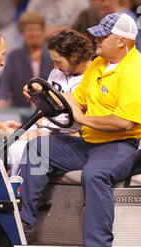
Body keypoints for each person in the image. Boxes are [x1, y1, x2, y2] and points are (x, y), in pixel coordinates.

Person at [20, 12, 141, 247]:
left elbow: (123, 123)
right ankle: (24, 225)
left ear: (122, 41)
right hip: (92, 141)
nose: (95, 39)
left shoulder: (139, 73)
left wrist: (81, 118)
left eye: (102, 35)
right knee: (38, 148)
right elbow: (76, 98)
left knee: (95, 174)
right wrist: (55, 99)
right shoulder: (99, 64)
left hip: (128, 144)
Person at [7, 29, 94, 176]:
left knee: (21, 148)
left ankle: (19, 193)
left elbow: (89, 124)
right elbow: (48, 108)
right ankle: (13, 190)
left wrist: (48, 135)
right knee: (10, 142)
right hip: (47, 127)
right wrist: (34, 94)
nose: (55, 66)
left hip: (70, 136)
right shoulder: (57, 72)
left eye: (58, 61)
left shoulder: (95, 77)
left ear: (75, 56)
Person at [0, 11, 54, 109]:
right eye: (30, 30)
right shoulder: (14, 56)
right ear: (22, 33)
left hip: (50, 111)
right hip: (21, 111)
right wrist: (2, 99)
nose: (34, 34)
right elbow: (5, 81)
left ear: (43, 31)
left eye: (37, 29)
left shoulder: (53, 55)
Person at [25, 0, 89, 39]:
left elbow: (84, 32)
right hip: (43, 49)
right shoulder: (36, 2)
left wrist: (51, 31)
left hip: (74, 47)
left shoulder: (81, 3)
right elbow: (27, 28)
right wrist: (64, 29)